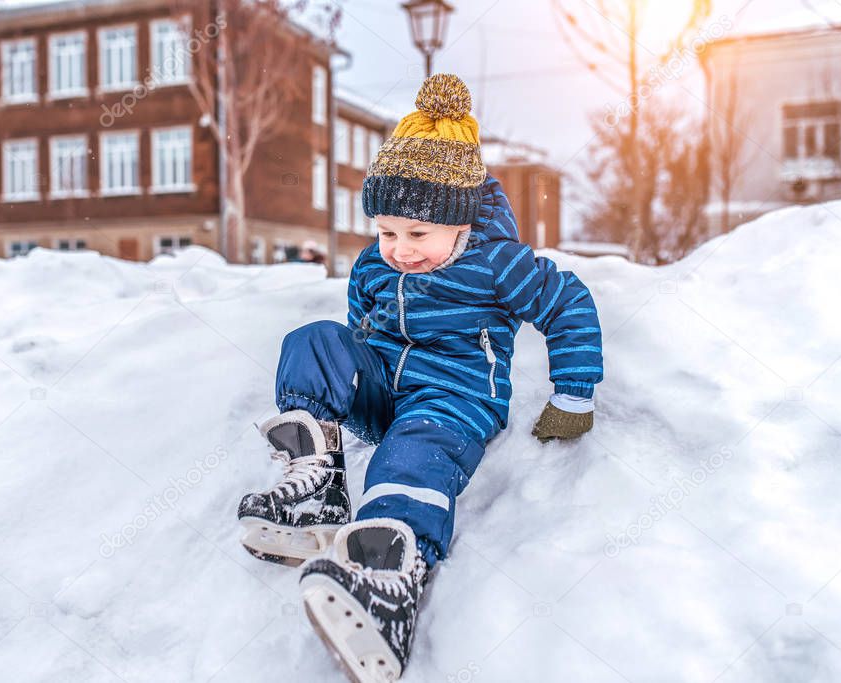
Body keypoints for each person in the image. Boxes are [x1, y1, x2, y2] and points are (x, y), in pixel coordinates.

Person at [236, 73, 604, 681]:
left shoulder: (497, 264)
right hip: (386, 385)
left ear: (460, 224)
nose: (400, 249)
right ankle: (317, 487)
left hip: (453, 401)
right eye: (386, 232)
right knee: (313, 342)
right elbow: (360, 326)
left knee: (410, 457)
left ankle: (387, 573)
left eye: (417, 235)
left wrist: (574, 393)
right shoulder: (373, 265)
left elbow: (567, 304)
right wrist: (349, 371)